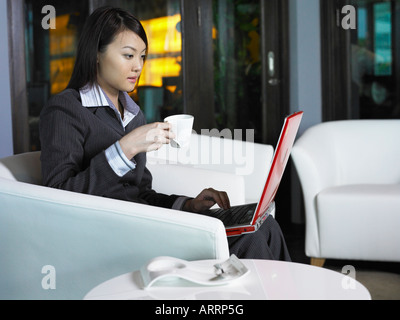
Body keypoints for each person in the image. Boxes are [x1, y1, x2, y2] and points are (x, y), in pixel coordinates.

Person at [39, 6, 291, 261]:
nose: (138, 66)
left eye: (143, 57)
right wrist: (124, 149)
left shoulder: (133, 113)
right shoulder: (66, 109)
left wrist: (188, 205)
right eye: (128, 55)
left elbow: (140, 194)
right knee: (251, 238)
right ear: (96, 54)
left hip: (148, 223)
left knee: (264, 226)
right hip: (112, 232)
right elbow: (59, 196)